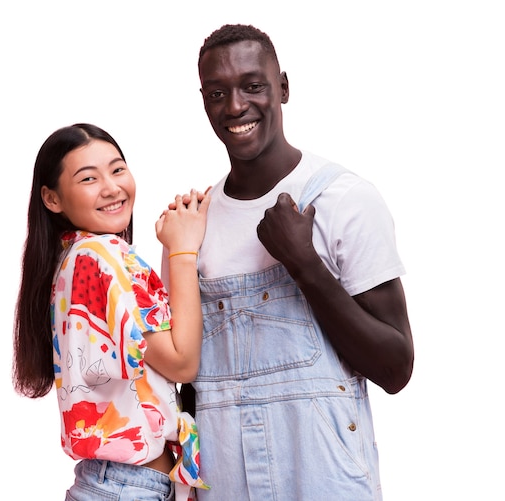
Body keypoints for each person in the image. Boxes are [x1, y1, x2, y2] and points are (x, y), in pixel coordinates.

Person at [168, 24, 414, 500]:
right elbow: (189, 387)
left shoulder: (345, 199)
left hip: (325, 484)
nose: (235, 106)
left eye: (253, 86)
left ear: (283, 87)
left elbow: (396, 368)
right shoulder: (192, 225)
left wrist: (304, 265)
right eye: (217, 93)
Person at [12, 123, 210, 501]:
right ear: (52, 199)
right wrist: (184, 250)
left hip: (114, 485)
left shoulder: (71, 259)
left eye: (117, 169)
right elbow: (182, 362)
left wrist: (171, 248)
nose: (111, 187)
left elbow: (156, 345)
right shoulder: (102, 256)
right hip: (127, 488)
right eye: (88, 178)